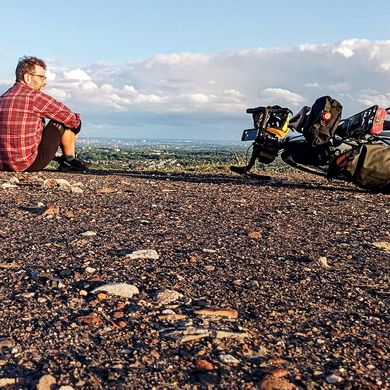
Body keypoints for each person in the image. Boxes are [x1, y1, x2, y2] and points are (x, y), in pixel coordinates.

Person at [0, 56, 88, 172]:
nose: (45, 81)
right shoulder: (34, 97)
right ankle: (69, 159)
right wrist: (75, 129)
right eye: (42, 77)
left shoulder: (3, 98)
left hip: (2, 164)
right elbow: (71, 118)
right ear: (27, 78)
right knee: (62, 119)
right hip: (27, 164)